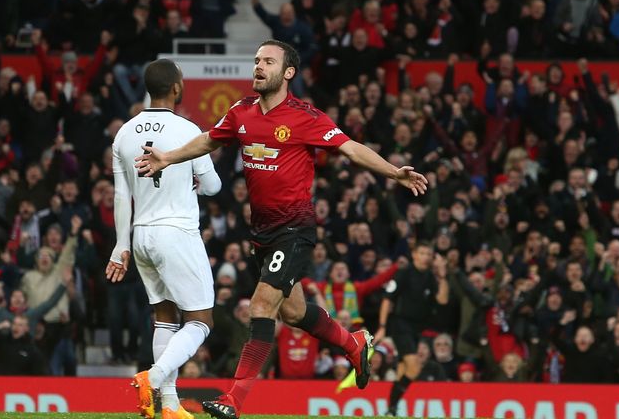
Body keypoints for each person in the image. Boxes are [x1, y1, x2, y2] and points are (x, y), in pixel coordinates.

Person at [135, 40, 427, 419]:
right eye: (256, 60)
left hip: (295, 229)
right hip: (263, 233)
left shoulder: (306, 117)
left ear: (288, 72)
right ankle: (353, 343)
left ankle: (233, 400)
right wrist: (167, 158)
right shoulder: (241, 112)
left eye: (268, 61)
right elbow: (209, 139)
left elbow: (351, 148)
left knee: (261, 306)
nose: (258, 66)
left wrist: (394, 172)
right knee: (293, 312)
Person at [105, 58, 222, 419]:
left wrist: (119, 245)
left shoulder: (124, 133)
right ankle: (153, 379)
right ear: (176, 87)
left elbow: (122, 196)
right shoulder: (188, 129)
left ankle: (169, 406)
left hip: (141, 235)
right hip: (177, 231)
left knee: (165, 318)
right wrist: (196, 182)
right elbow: (215, 186)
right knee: (201, 321)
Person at [380, 243, 449, 416]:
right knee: (415, 368)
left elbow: (442, 300)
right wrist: (382, 326)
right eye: (422, 252)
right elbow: (387, 299)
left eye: (428, 253)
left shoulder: (431, 277)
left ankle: (391, 410)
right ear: (414, 255)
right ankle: (392, 407)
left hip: (417, 329)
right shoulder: (404, 273)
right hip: (401, 324)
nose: (425, 256)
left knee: (403, 370)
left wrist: (442, 277)